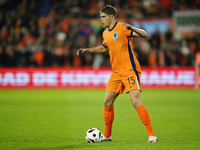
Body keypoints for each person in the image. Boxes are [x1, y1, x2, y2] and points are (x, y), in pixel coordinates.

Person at [77, 5, 158, 143]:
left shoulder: (122, 28)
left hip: (130, 70)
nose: (101, 19)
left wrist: (132, 28)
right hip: (116, 72)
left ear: (112, 17)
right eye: (100, 17)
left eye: (103, 17)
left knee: (135, 100)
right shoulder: (105, 33)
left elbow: (144, 35)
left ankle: (152, 135)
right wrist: (87, 50)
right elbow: (104, 48)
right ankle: (107, 135)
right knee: (107, 102)